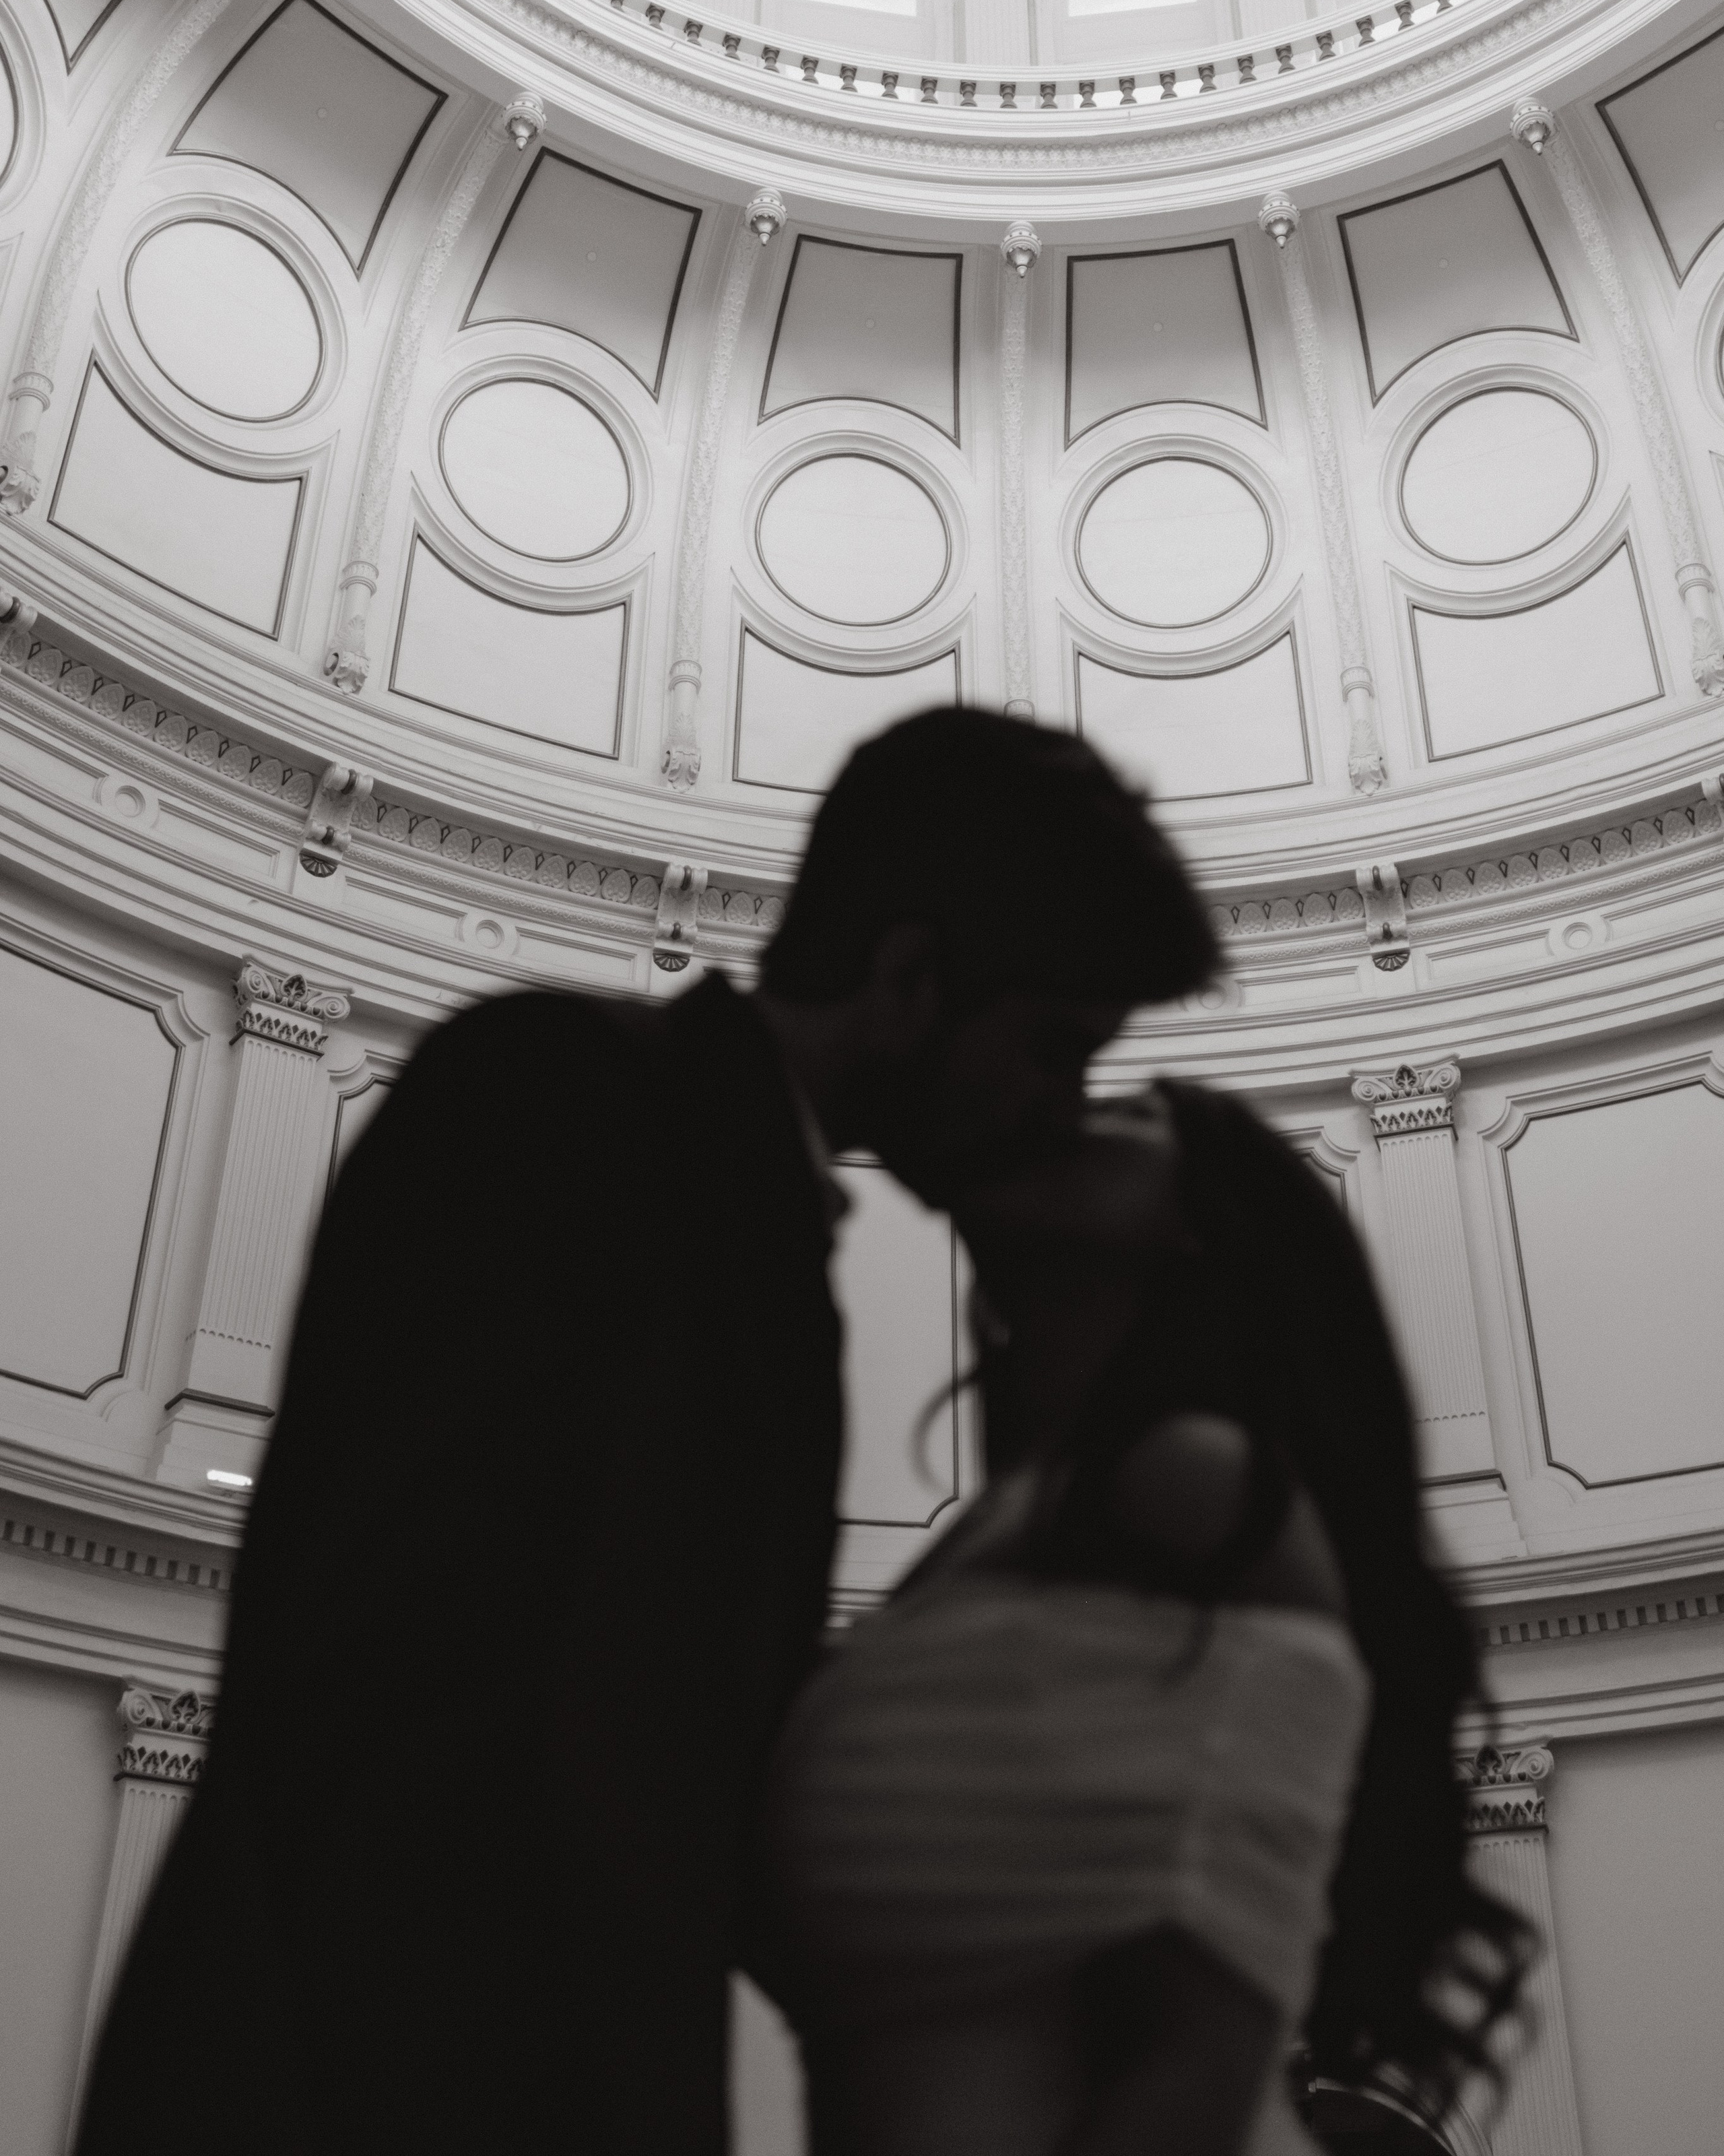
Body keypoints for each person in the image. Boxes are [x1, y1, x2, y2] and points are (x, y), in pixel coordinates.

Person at [75, 709, 1216, 2156]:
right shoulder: (556, 1098)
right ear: (910, 975)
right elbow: (414, 1686)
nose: (1058, 1109)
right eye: (1055, 1047)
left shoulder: (747, 1217)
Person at [764, 1078, 1531, 2154]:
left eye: (1132, 1116)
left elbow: (1196, 2063)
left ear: (1202, 1229)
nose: (1071, 1107)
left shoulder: (1191, 1485)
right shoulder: (1012, 1523)